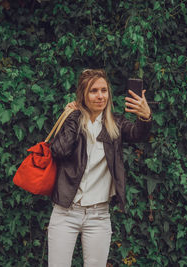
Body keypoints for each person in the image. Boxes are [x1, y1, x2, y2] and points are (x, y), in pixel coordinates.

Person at [48, 69, 152, 267]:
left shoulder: (116, 123)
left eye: (104, 90)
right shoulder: (74, 119)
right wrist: (74, 116)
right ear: (83, 95)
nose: (100, 95)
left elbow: (138, 134)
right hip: (65, 212)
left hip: (99, 215)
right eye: (93, 91)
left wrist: (145, 117)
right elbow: (59, 151)